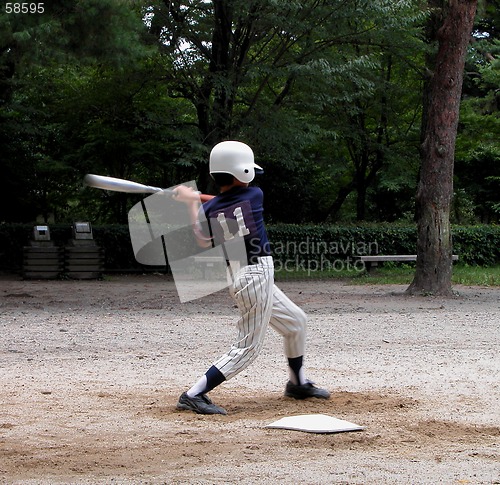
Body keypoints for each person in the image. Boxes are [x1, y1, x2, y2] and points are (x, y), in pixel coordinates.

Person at [173, 140, 330, 415]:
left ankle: (297, 383)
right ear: (242, 172)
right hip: (255, 275)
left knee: (295, 323)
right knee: (248, 348)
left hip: (243, 274)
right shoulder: (255, 195)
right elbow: (232, 203)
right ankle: (193, 394)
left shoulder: (209, 210)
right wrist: (196, 198)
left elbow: (201, 238)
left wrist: (191, 202)